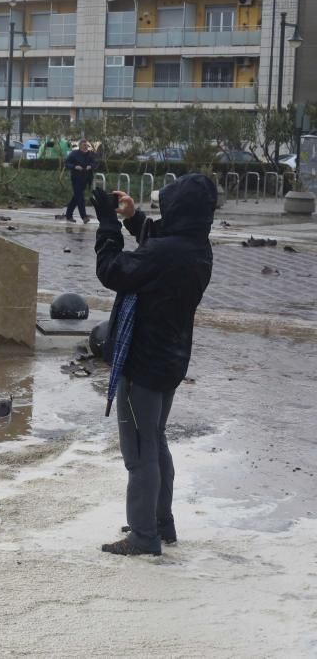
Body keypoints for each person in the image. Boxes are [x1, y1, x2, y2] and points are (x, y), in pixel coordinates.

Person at [91, 174, 216, 556]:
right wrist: (133, 219)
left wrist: (109, 226)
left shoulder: (166, 254)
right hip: (171, 359)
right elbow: (161, 244)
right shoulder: (196, 247)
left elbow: (112, 270)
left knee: (140, 450)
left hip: (143, 362)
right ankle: (162, 523)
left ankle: (143, 536)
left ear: (179, 212)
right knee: (156, 439)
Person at [63, 140, 97, 223]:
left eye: (86, 145)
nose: (85, 146)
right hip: (76, 178)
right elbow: (67, 163)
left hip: (86, 179)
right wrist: (75, 167)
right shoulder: (74, 154)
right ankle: (84, 217)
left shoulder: (90, 154)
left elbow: (95, 163)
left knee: (76, 197)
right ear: (80, 146)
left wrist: (90, 166)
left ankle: (68, 215)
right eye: (84, 145)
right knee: (80, 197)